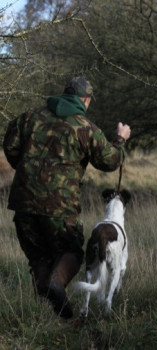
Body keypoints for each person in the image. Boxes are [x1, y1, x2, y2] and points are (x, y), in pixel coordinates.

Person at [3, 77, 131, 319]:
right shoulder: (85, 127)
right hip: (59, 205)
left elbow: (9, 145)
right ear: (85, 100)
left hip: (23, 201)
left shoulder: (29, 116)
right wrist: (121, 139)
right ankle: (55, 285)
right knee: (71, 251)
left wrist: (26, 173)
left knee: (39, 255)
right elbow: (111, 160)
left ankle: (59, 317)